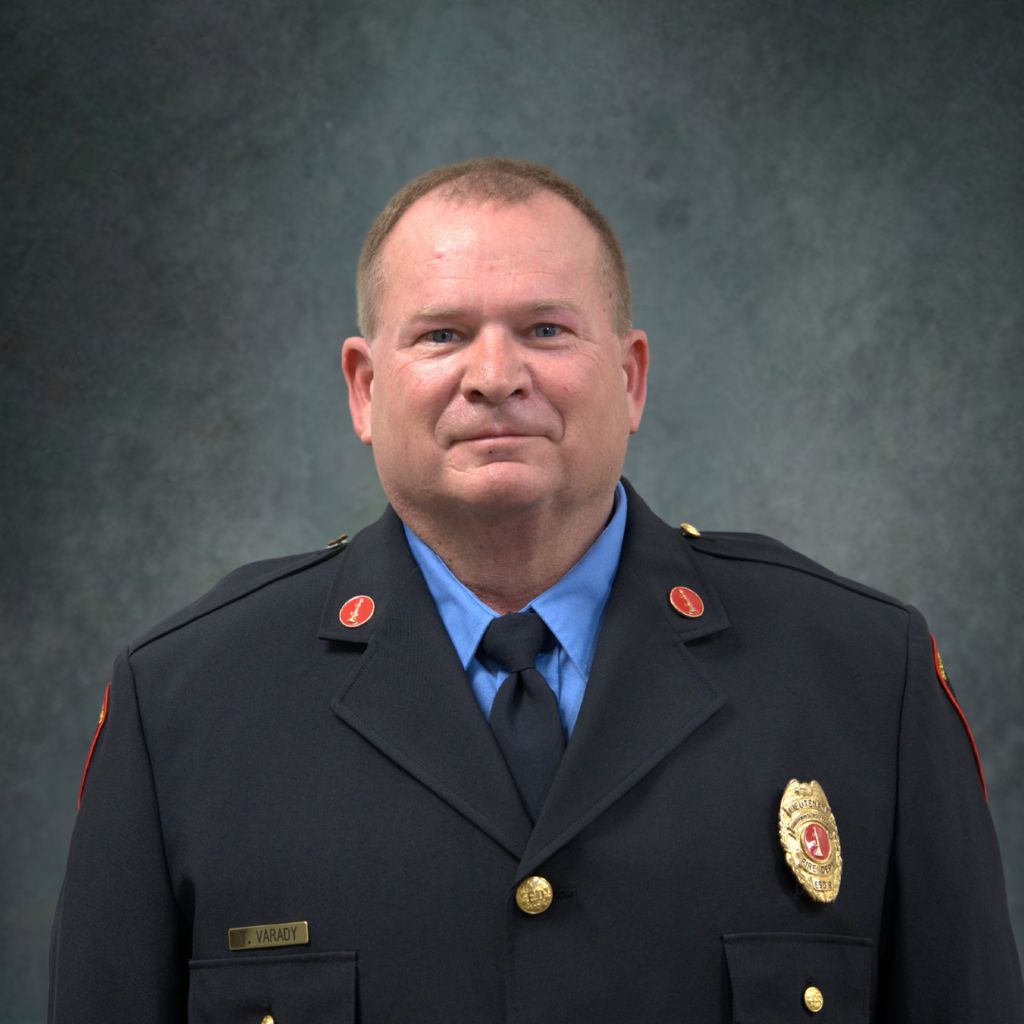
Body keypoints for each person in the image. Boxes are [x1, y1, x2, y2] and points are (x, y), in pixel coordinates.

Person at [50, 158, 1022, 1023]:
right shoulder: (182, 704)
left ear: (632, 378)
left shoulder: (860, 674)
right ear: (362, 387)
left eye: (545, 328)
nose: (494, 375)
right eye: (440, 334)